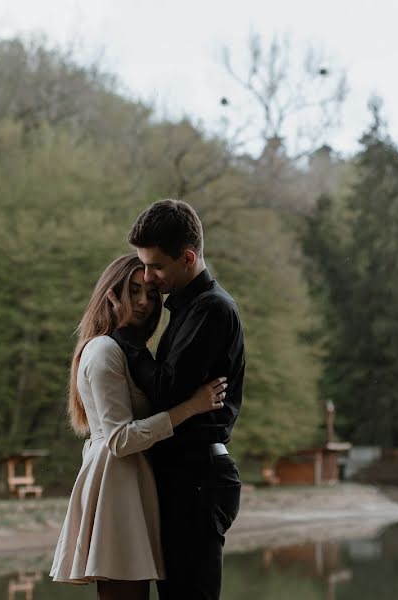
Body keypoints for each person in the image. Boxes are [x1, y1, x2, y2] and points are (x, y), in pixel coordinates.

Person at [50, 253, 229, 600]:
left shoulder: (125, 350)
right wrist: (190, 407)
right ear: (111, 295)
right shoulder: (104, 350)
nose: (144, 302)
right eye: (133, 292)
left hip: (128, 484)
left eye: (150, 293)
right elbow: (119, 439)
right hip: (116, 487)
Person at [107, 199, 245, 600]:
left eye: (156, 267)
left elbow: (167, 390)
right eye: (143, 265)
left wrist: (129, 337)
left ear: (188, 257)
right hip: (186, 477)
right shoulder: (187, 308)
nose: (148, 278)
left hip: (197, 479)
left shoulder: (212, 310)